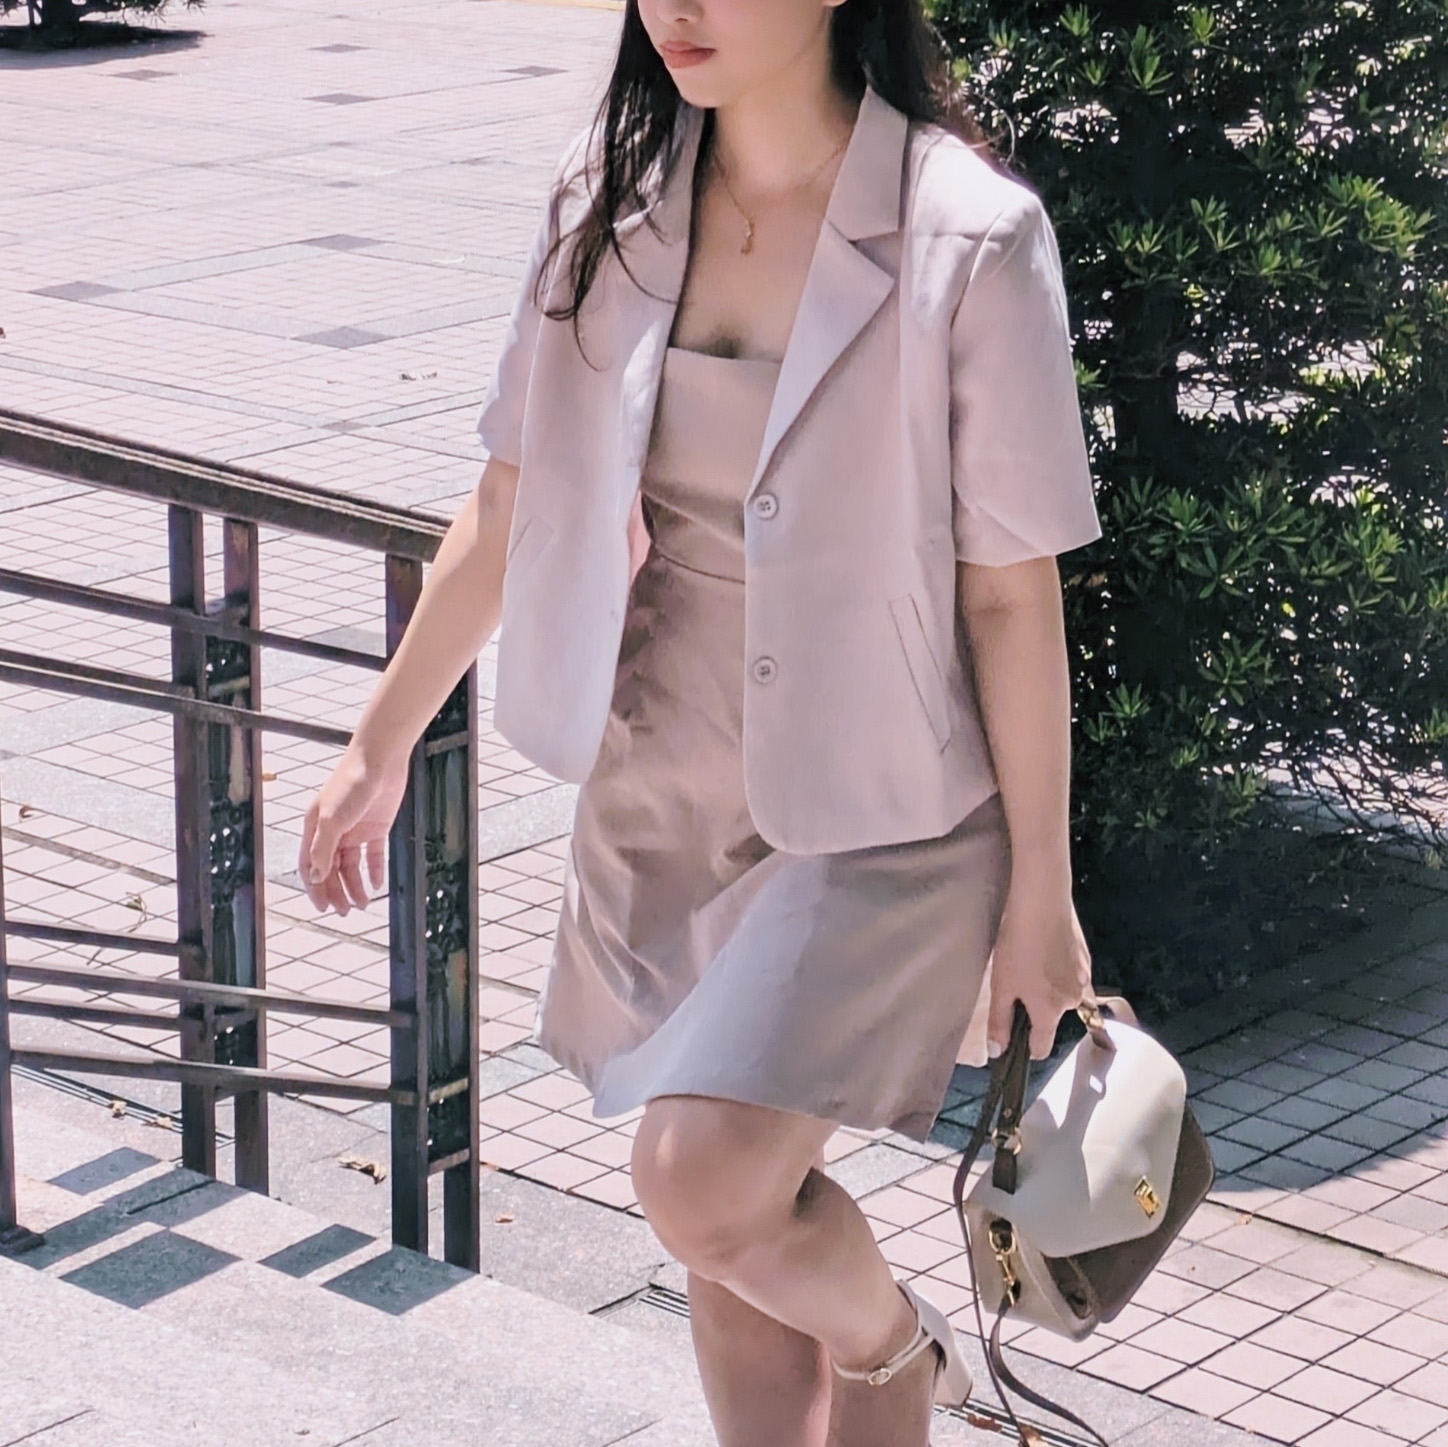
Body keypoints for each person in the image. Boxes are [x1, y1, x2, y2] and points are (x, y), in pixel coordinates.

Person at [297, 1, 1103, 1443]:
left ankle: (896, 1345)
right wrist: (380, 738)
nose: (676, 6)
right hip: (663, 794)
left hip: (880, 814)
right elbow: (509, 499)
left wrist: (1040, 889)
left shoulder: (970, 236)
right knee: (732, 1242)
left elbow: (1009, 591)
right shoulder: (605, 198)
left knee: (701, 1181)